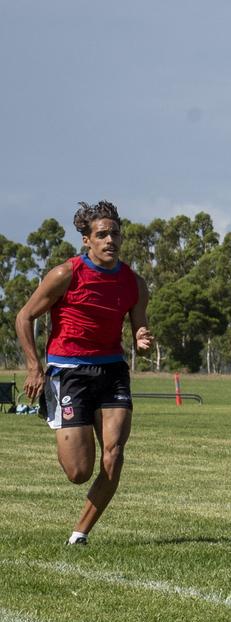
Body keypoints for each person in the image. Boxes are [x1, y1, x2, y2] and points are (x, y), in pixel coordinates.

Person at [15, 201, 152, 546]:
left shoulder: (133, 283)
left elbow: (139, 328)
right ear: (87, 241)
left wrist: (142, 336)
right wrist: (34, 367)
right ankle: (64, 420)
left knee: (115, 452)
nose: (110, 240)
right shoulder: (67, 274)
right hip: (69, 372)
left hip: (112, 371)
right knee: (78, 472)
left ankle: (80, 533)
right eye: (102, 234)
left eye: (115, 234)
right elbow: (24, 317)